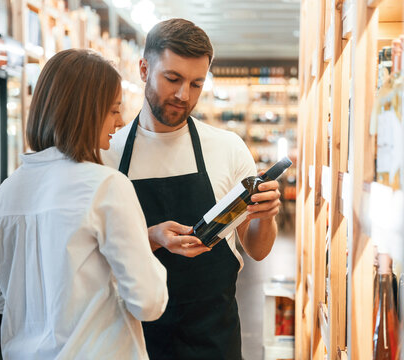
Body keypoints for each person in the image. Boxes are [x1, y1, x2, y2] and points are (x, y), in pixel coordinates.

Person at [103, 18, 281, 359]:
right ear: (143, 69)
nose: (184, 95)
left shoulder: (227, 148)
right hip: (134, 341)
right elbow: (93, 254)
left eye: (197, 84)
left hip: (213, 339)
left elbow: (256, 250)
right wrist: (150, 236)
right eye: (173, 79)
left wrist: (265, 216)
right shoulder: (107, 153)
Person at [0, 49, 168, 359]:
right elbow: (149, 302)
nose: (120, 121)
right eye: (113, 110)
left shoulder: (7, 192)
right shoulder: (106, 185)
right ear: (85, 113)